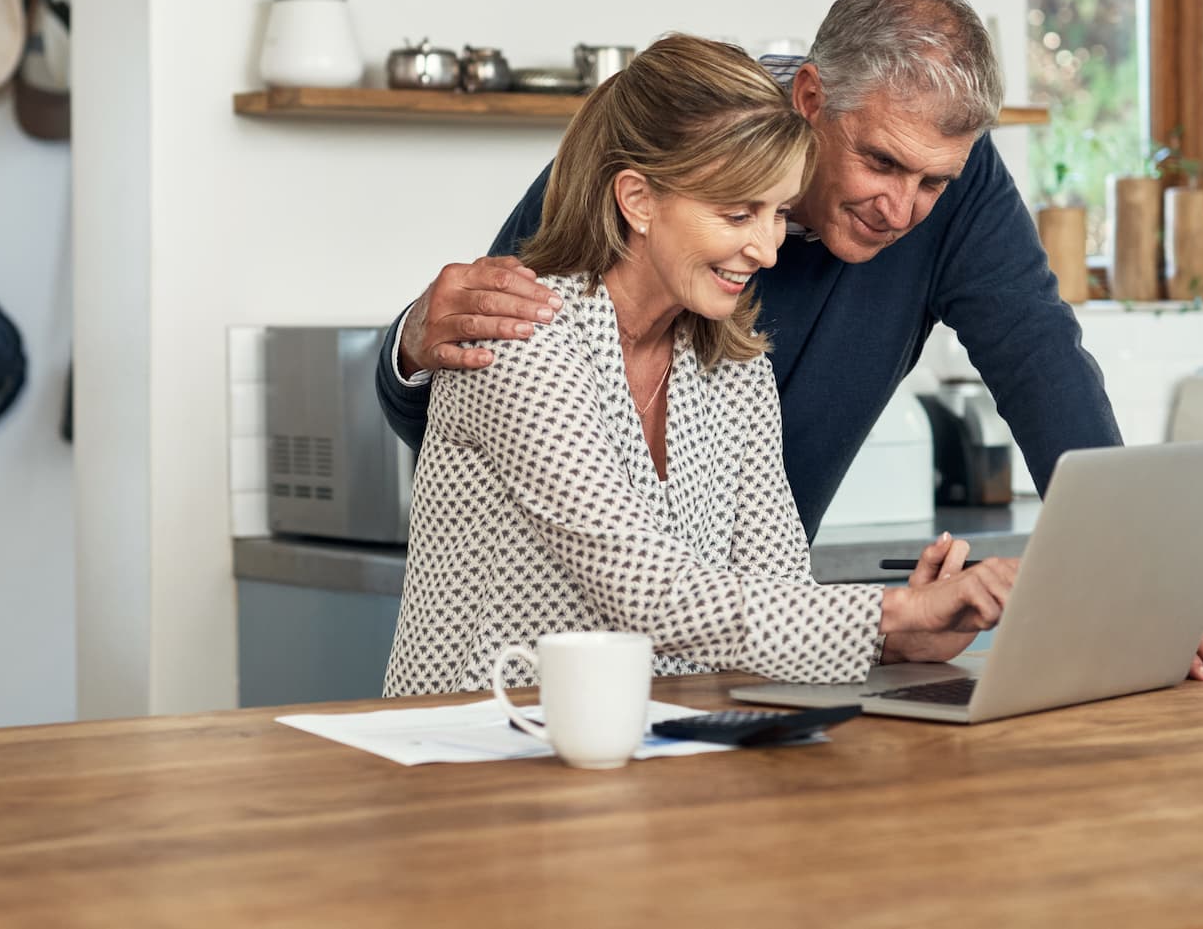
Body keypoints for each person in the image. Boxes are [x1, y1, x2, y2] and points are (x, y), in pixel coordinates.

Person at [379, 0, 1203, 683]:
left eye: (932, 182)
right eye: (880, 162)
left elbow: (1040, 360)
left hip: (677, 707)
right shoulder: (657, 157)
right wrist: (417, 341)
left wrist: (1139, 597)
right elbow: (486, 352)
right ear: (809, 99)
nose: (903, 208)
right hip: (487, 718)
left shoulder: (734, 353)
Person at [384, 36, 1018, 695]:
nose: (768, 249)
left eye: (777, 213)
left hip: (651, 753)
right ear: (638, 199)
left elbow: (773, 599)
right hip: (471, 749)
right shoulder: (524, 338)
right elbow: (648, 590)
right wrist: (893, 611)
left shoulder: (733, 364)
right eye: (738, 212)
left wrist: (899, 638)